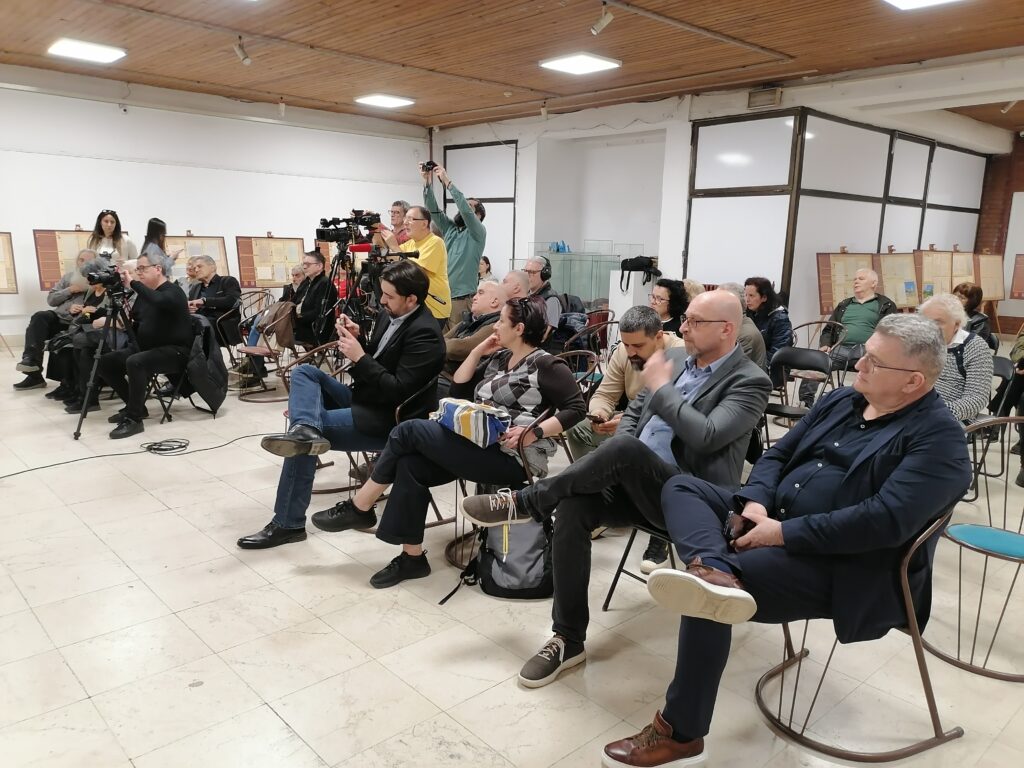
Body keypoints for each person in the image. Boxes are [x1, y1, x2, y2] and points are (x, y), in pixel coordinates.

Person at [603, 314, 972, 767]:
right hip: (773, 519)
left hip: (844, 564)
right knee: (682, 487)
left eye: (874, 362)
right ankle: (713, 566)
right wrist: (756, 502)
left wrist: (782, 534)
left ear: (914, 381)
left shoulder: (941, 442)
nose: (858, 364)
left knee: (706, 597)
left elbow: (881, 522)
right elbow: (777, 454)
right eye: (864, 354)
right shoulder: (843, 401)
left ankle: (681, 734)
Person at [461, 290, 771, 687]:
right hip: (636, 484)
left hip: (691, 503)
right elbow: (635, 414)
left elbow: (707, 436)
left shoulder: (750, 381)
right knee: (574, 506)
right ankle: (568, 639)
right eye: (685, 319)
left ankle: (528, 501)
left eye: (694, 322)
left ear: (726, 329)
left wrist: (662, 389)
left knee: (624, 450)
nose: (683, 328)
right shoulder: (677, 359)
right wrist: (622, 461)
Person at [309, 295, 586, 588]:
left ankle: (360, 506)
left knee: (408, 431)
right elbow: (459, 389)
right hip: (478, 445)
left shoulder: (546, 364)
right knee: (410, 465)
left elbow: (577, 408)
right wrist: (478, 351)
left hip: (512, 458)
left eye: (502, 322)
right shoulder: (500, 358)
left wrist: (534, 431)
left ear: (519, 329)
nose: (496, 327)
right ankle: (412, 558)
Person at [236, 260, 445, 550]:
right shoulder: (391, 316)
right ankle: (305, 429)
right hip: (367, 398)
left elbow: (397, 390)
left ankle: (288, 523)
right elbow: (380, 359)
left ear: (411, 299)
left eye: (389, 296)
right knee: (305, 373)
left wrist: (360, 356)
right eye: (382, 293)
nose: (382, 301)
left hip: (390, 418)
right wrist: (360, 341)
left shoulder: (426, 334)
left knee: (302, 444)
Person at [564, 305, 687, 573]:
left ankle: (659, 531)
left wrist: (630, 424)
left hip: (661, 432)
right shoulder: (625, 351)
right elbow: (605, 394)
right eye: (626, 344)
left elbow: (676, 415)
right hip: (628, 421)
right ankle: (605, 492)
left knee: (653, 442)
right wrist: (600, 413)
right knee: (578, 429)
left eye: (638, 346)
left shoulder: (681, 355)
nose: (630, 352)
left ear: (659, 337)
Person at [96, 250, 193, 439]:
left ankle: (134, 419)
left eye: (142, 268)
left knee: (136, 362)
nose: (139, 273)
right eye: (137, 269)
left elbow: (159, 300)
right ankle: (137, 406)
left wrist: (133, 283)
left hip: (176, 352)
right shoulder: (145, 295)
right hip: (149, 348)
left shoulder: (173, 291)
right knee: (104, 362)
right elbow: (137, 318)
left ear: (158, 269)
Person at [800, 268, 898, 407]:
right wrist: (825, 344)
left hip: (868, 352)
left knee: (879, 372)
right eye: (855, 279)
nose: (856, 281)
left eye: (861, 279)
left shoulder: (885, 305)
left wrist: (879, 350)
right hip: (840, 348)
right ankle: (805, 401)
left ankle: (857, 404)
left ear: (874, 283)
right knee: (817, 361)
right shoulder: (844, 304)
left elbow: (891, 332)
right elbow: (829, 328)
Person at [14, 248, 103, 390]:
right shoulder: (68, 277)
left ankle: (58, 380)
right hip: (59, 317)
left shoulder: (98, 281)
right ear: (77, 261)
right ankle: (31, 363)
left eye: (88, 261)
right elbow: (51, 300)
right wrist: (70, 290)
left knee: (63, 339)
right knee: (39, 317)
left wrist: (80, 307)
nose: (84, 264)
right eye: (81, 260)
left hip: (77, 322)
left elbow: (97, 305)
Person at [422, 163, 486, 329]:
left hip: (461, 300)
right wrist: (427, 182)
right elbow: (432, 209)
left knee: (456, 340)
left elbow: (465, 210)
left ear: (478, 215)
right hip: (441, 297)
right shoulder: (450, 229)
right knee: (439, 338)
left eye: (469, 206)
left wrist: (447, 182)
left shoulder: (478, 233)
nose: (461, 208)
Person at [918, 293, 993, 424]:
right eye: (925, 322)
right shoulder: (918, 342)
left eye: (937, 322)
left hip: (953, 417)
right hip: (915, 410)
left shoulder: (975, 347)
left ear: (957, 324)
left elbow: (976, 399)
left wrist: (936, 413)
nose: (929, 327)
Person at [381, 206, 451, 328]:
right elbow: (388, 257)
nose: (405, 223)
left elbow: (414, 273)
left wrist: (395, 247)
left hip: (434, 307)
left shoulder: (435, 242)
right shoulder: (411, 244)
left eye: (410, 219)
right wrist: (377, 231)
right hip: (415, 306)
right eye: (405, 219)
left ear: (424, 224)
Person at [438, 280, 506, 396]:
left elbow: (458, 349)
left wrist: (457, 343)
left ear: (494, 301)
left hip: (454, 383)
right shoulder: (468, 321)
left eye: (481, 293)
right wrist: (456, 343)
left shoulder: (494, 326)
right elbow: (436, 341)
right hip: (442, 374)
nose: (474, 297)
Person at [188, 255, 242, 346]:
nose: (196, 270)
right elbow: (191, 306)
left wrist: (205, 301)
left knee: (197, 327)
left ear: (212, 267)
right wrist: (189, 309)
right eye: (194, 268)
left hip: (221, 324)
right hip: (199, 322)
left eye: (199, 266)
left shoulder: (227, 281)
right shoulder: (195, 288)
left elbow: (232, 301)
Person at [744, 276, 792, 378]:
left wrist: (752, 366)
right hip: (752, 362)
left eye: (751, 296)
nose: (747, 300)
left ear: (764, 298)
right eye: (745, 295)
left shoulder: (780, 318)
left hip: (774, 368)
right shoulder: (750, 312)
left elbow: (779, 351)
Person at [292, 249, 338, 347]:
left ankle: (269, 352)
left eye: (308, 264)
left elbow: (319, 312)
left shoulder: (325, 283)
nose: (304, 267)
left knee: (277, 326)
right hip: (300, 323)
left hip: (314, 328)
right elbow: (294, 300)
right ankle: (265, 351)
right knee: (273, 321)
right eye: (303, 264)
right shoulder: (307, 282)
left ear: (319, 266)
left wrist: (296, 318)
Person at [718, 282, 766, 369]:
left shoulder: (745, 335)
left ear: (731, 307)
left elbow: (727, 370)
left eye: (716, 303)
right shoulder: (734, 324)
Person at [952, 281, 998, 351]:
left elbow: (973, 345)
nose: (956, 299)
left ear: (972, 301)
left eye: (962, 298)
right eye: (955, 296)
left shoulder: (981, 321)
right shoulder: (948, 314)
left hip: (968, 354)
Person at [524, 257, 562, 340]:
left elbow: (542, 337)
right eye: (526, 271)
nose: (527, 276)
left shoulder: (551, 300)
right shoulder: (526, 295)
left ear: (544, 275)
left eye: (532, 272)